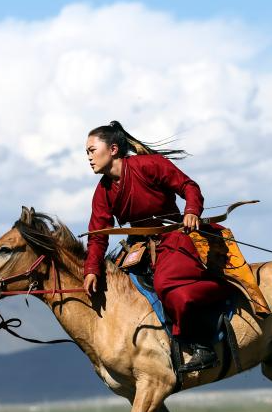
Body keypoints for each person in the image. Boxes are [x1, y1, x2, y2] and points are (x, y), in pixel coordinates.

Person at [83, 121, 225, 373]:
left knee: (166, 284)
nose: (89, 157)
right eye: (87, 153)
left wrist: (191, 211)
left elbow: (188, 187)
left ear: (113, 149)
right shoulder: (102, 191)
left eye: (92, 150)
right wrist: (92, 269)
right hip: (138, 248)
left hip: (174, 238)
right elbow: (97, 235)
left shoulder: (149, 165)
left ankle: (202, 346)